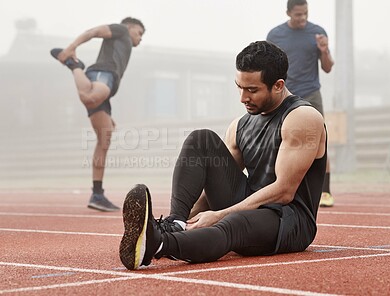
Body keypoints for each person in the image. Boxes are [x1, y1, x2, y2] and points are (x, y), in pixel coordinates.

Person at [119, 40, 327, 270]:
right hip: (250, 204)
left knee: (232, 222)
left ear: (278, 85)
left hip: (289, 221)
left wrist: (217, 215)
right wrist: (190, 217)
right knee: (201, 139)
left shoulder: (303, 118)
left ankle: (159, 244)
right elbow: (214, 184)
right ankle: (172, 225)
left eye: (252, 90)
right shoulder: (240, 125)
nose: (243, 97)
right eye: (239, 87)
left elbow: (284, 191)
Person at [50, 17, 145, 212]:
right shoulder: (121, 30)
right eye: (139, 33)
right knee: (90, 97)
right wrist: (70, 48)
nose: (140, 38)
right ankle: (73, 64)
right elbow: (93, 32)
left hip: (108, 86)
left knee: (105, 138)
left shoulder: (124, 42)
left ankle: (97, 194)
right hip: (103, 73)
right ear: (130, 27)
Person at [266, 0, 335, 207]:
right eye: (298, 15)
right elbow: (268, 66)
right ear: (288, 13)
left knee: (319, 141)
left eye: (305, 14)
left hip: (311, 93)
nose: (302, 18)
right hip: (285, 94)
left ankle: (325, 191)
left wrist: (324, 50)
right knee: (278, 140)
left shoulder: (318, 33)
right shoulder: (275, 35)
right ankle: (275, 188)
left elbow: (328, 67)